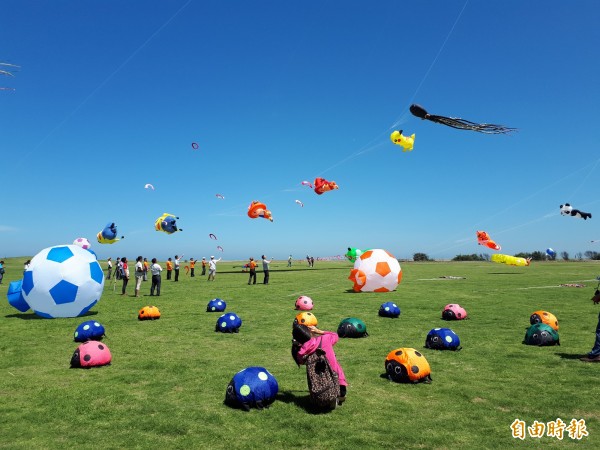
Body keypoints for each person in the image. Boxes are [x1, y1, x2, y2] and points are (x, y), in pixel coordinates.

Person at [292, 323, 347, 405]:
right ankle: (337, 396)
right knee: (341, 390)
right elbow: (335, 335)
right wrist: (318, 331)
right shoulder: (325, 339)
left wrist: (297, 345)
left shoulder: (302, 352)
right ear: (309, 332)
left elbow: (300, 361)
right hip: (338, 380)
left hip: (320, 384)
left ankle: (327, 398)